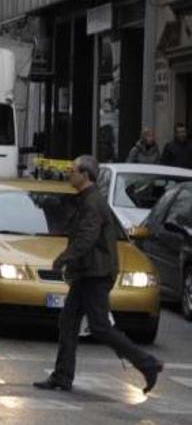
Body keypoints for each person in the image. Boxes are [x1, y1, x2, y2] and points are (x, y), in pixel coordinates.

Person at [34, 155, 163, 394]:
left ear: (85, 175)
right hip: (87, 272)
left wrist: (63, 259)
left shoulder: (93, 202)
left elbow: (87, 237)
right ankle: (62, 376)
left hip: (97, 273)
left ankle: (147, 363)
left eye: (73, 170)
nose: (70, 174)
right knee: (68, 321)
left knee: (100, 326)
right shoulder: (86, 199)